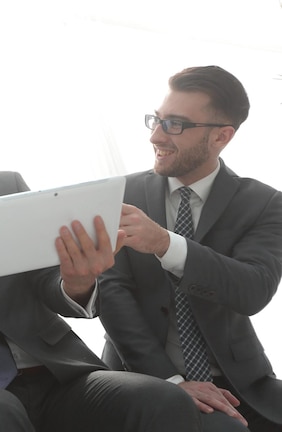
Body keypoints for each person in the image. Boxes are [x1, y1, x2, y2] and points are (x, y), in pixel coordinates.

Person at [0, 69, 203, 432]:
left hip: (57, 372)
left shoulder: (4, 186)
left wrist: (75, 282)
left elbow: (47, 282)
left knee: (163, 400)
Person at [98, 65, 282, 432]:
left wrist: (167, 245)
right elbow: (111, 294)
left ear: (222, 137)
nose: (156, 136)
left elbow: (252, 290)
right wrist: (174, 382)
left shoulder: (264, 203)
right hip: (143, 377)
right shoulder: (117, 195)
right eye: (156, 119)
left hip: (240, 383)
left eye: (175, 124)